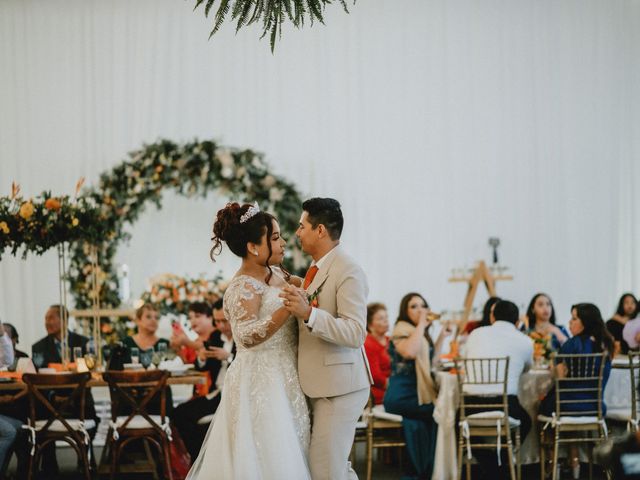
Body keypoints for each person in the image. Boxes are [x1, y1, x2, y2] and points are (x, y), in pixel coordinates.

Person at [187, 202, 311, 479]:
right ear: (254, 247)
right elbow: (246, 335)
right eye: (276, 238)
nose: (283, 243)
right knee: (266, 454)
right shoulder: (241, 286)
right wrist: (287, 307)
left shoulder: (277, 273)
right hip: (260, 381)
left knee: (294, 447)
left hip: (287, 375)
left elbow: (305, 287)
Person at [281, 197, 372, 480]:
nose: (297, 233)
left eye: (302, 226)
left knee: (325, 469)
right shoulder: (318, 268)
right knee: (331, 468)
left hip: (340, 387)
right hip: (321, 384)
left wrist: (308, 313)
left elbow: (356, 332)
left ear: (320, 230)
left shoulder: (348, 270)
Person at [540, 303, 614, 478]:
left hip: (567, 407)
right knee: (566, 404)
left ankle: (553, 464)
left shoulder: (571, 345)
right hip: (595, 407)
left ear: (585, 323)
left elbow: (559, 377)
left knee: (545, 408)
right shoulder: (606, 344)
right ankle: (575, 461)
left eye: (574, 318)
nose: (570, 322)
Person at [463, 300, 533, 479]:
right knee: (526, 421)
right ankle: (500, 463)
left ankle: (490, 464)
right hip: (504, 405)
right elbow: (527, 369)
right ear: (517, 322)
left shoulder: (475, 334)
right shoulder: (525, 341)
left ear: (492, 316)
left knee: (459, 422)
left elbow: (466, 358)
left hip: (471, 403)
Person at [383, 293, 451, 480]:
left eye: (422, 306)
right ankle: (428, 469)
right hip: (401, 396)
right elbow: (410, 352)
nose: (420, 310)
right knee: (441, 412)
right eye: (413, 306)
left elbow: (431, 361)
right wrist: (422, 324)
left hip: (416, 395)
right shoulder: (401, 329)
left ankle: (424, 470)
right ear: (405, 311)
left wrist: (441, 338)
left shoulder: (418, 332)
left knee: (423, 420)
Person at [172, 301, 236, 460]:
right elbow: (204, 365)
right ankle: (199, 457)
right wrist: (201, 359)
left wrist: (229, 358)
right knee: (179, 413)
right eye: (217, 321)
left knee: (206, 424)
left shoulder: (242, 336)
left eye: (224, 321)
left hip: (235, 394)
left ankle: (207, 457)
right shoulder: (215, 336)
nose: (221, 325)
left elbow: (251, 365)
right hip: (216, 393)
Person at [364, 302, 391, 405]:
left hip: (393, 388)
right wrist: (396, 387)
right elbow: (375, 376)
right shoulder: (368, 343)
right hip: (380, 394)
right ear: (370, 324)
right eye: (380, 318)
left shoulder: (390, 340)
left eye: (386, 317)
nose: (386, 321)